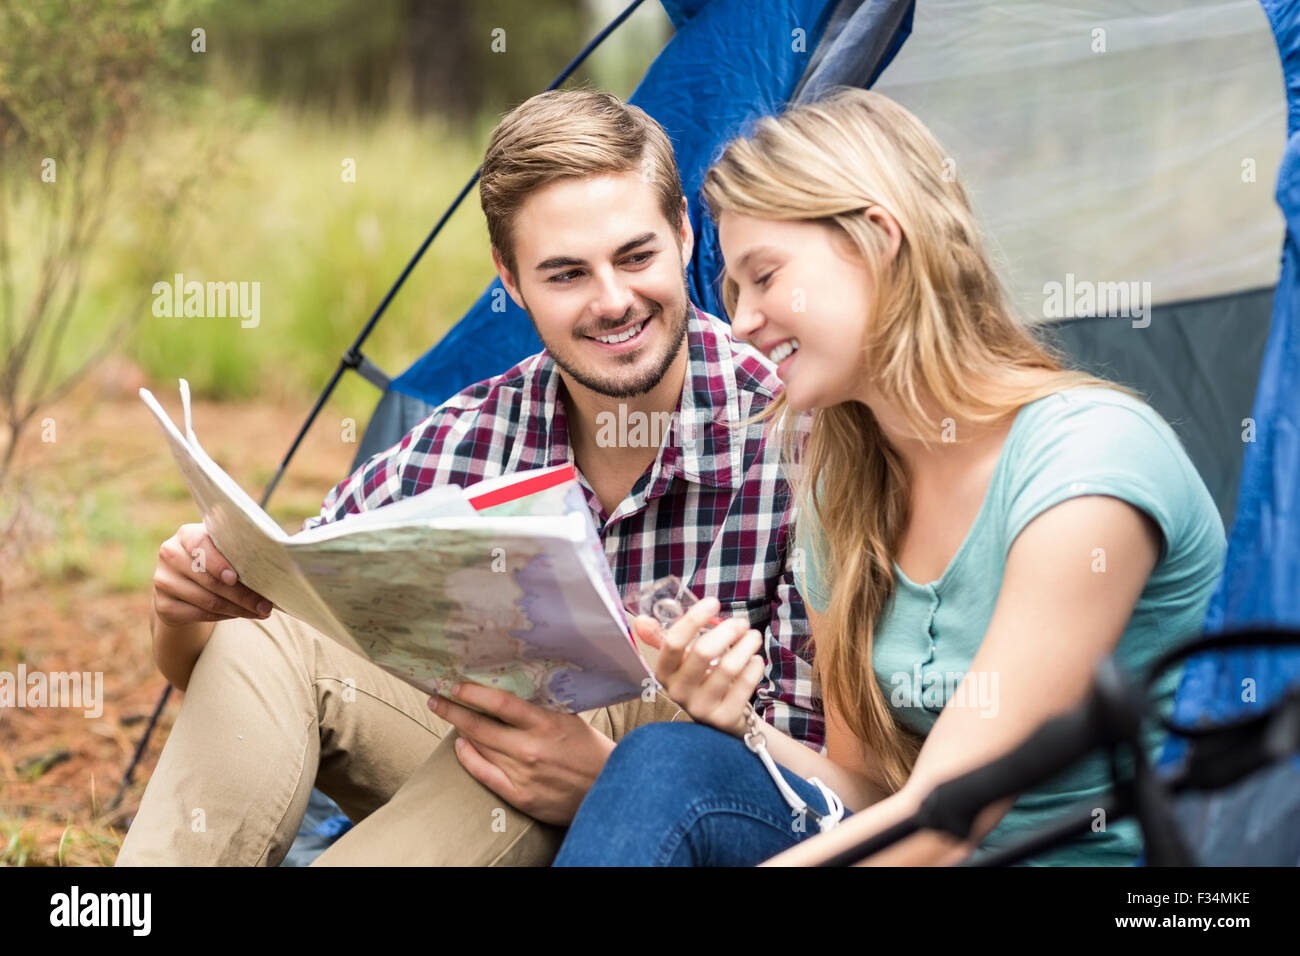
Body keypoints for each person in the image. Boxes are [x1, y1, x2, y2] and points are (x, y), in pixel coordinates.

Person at [117, 88, 822, 867]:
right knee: (280, 630)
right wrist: (185, 612)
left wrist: (611, 781)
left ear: (685, 237)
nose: (614, 300)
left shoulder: (795, 438)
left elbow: (832, 791)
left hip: (697, 806)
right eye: (565, 275)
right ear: (510, 281)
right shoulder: (469, 440)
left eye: (635, 256)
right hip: (489, 764)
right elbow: (232, 666)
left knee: (537, 722)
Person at [553, 87, 1228, 867]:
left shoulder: (1088, 464)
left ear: (878, 239)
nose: (738, 321)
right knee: (668, 762)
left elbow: (945, 825)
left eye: (765, 277)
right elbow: (872, 796)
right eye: (733, 289)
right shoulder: (845, 496)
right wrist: (742, 725)